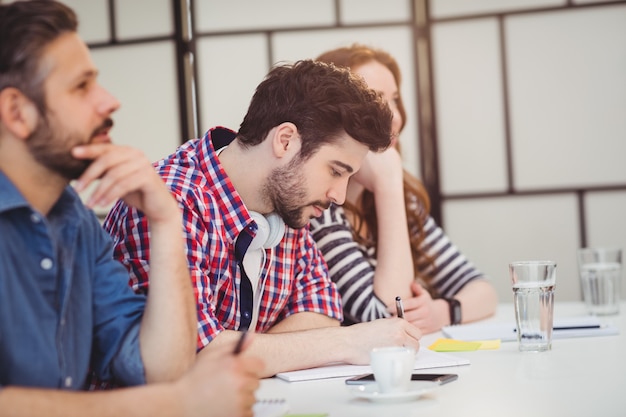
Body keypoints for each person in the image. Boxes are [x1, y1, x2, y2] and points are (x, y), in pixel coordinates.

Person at [0, 1, 262, 416]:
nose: (110, 101)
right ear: (17, 112)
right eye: (81, 86)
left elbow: (160, 369)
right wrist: (179, 403)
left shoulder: (76, 223)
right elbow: (172, 391)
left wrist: (164, 220)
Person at [104, 58, 423, 378]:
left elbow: (322, 312)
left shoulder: (288, 200)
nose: (338, 196)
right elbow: (189, 356)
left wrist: (233, 353)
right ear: (285, 140)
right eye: (335, 171)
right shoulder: (169, 201)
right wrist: (349, 341)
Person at [310, 44, 498, 333]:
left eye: (395, 100)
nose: (395, 116)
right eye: (374, 99)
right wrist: (387, 184)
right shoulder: (319, 206)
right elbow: (386, 320)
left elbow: (482, 290)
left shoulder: (403, 200)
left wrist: (442, 311)